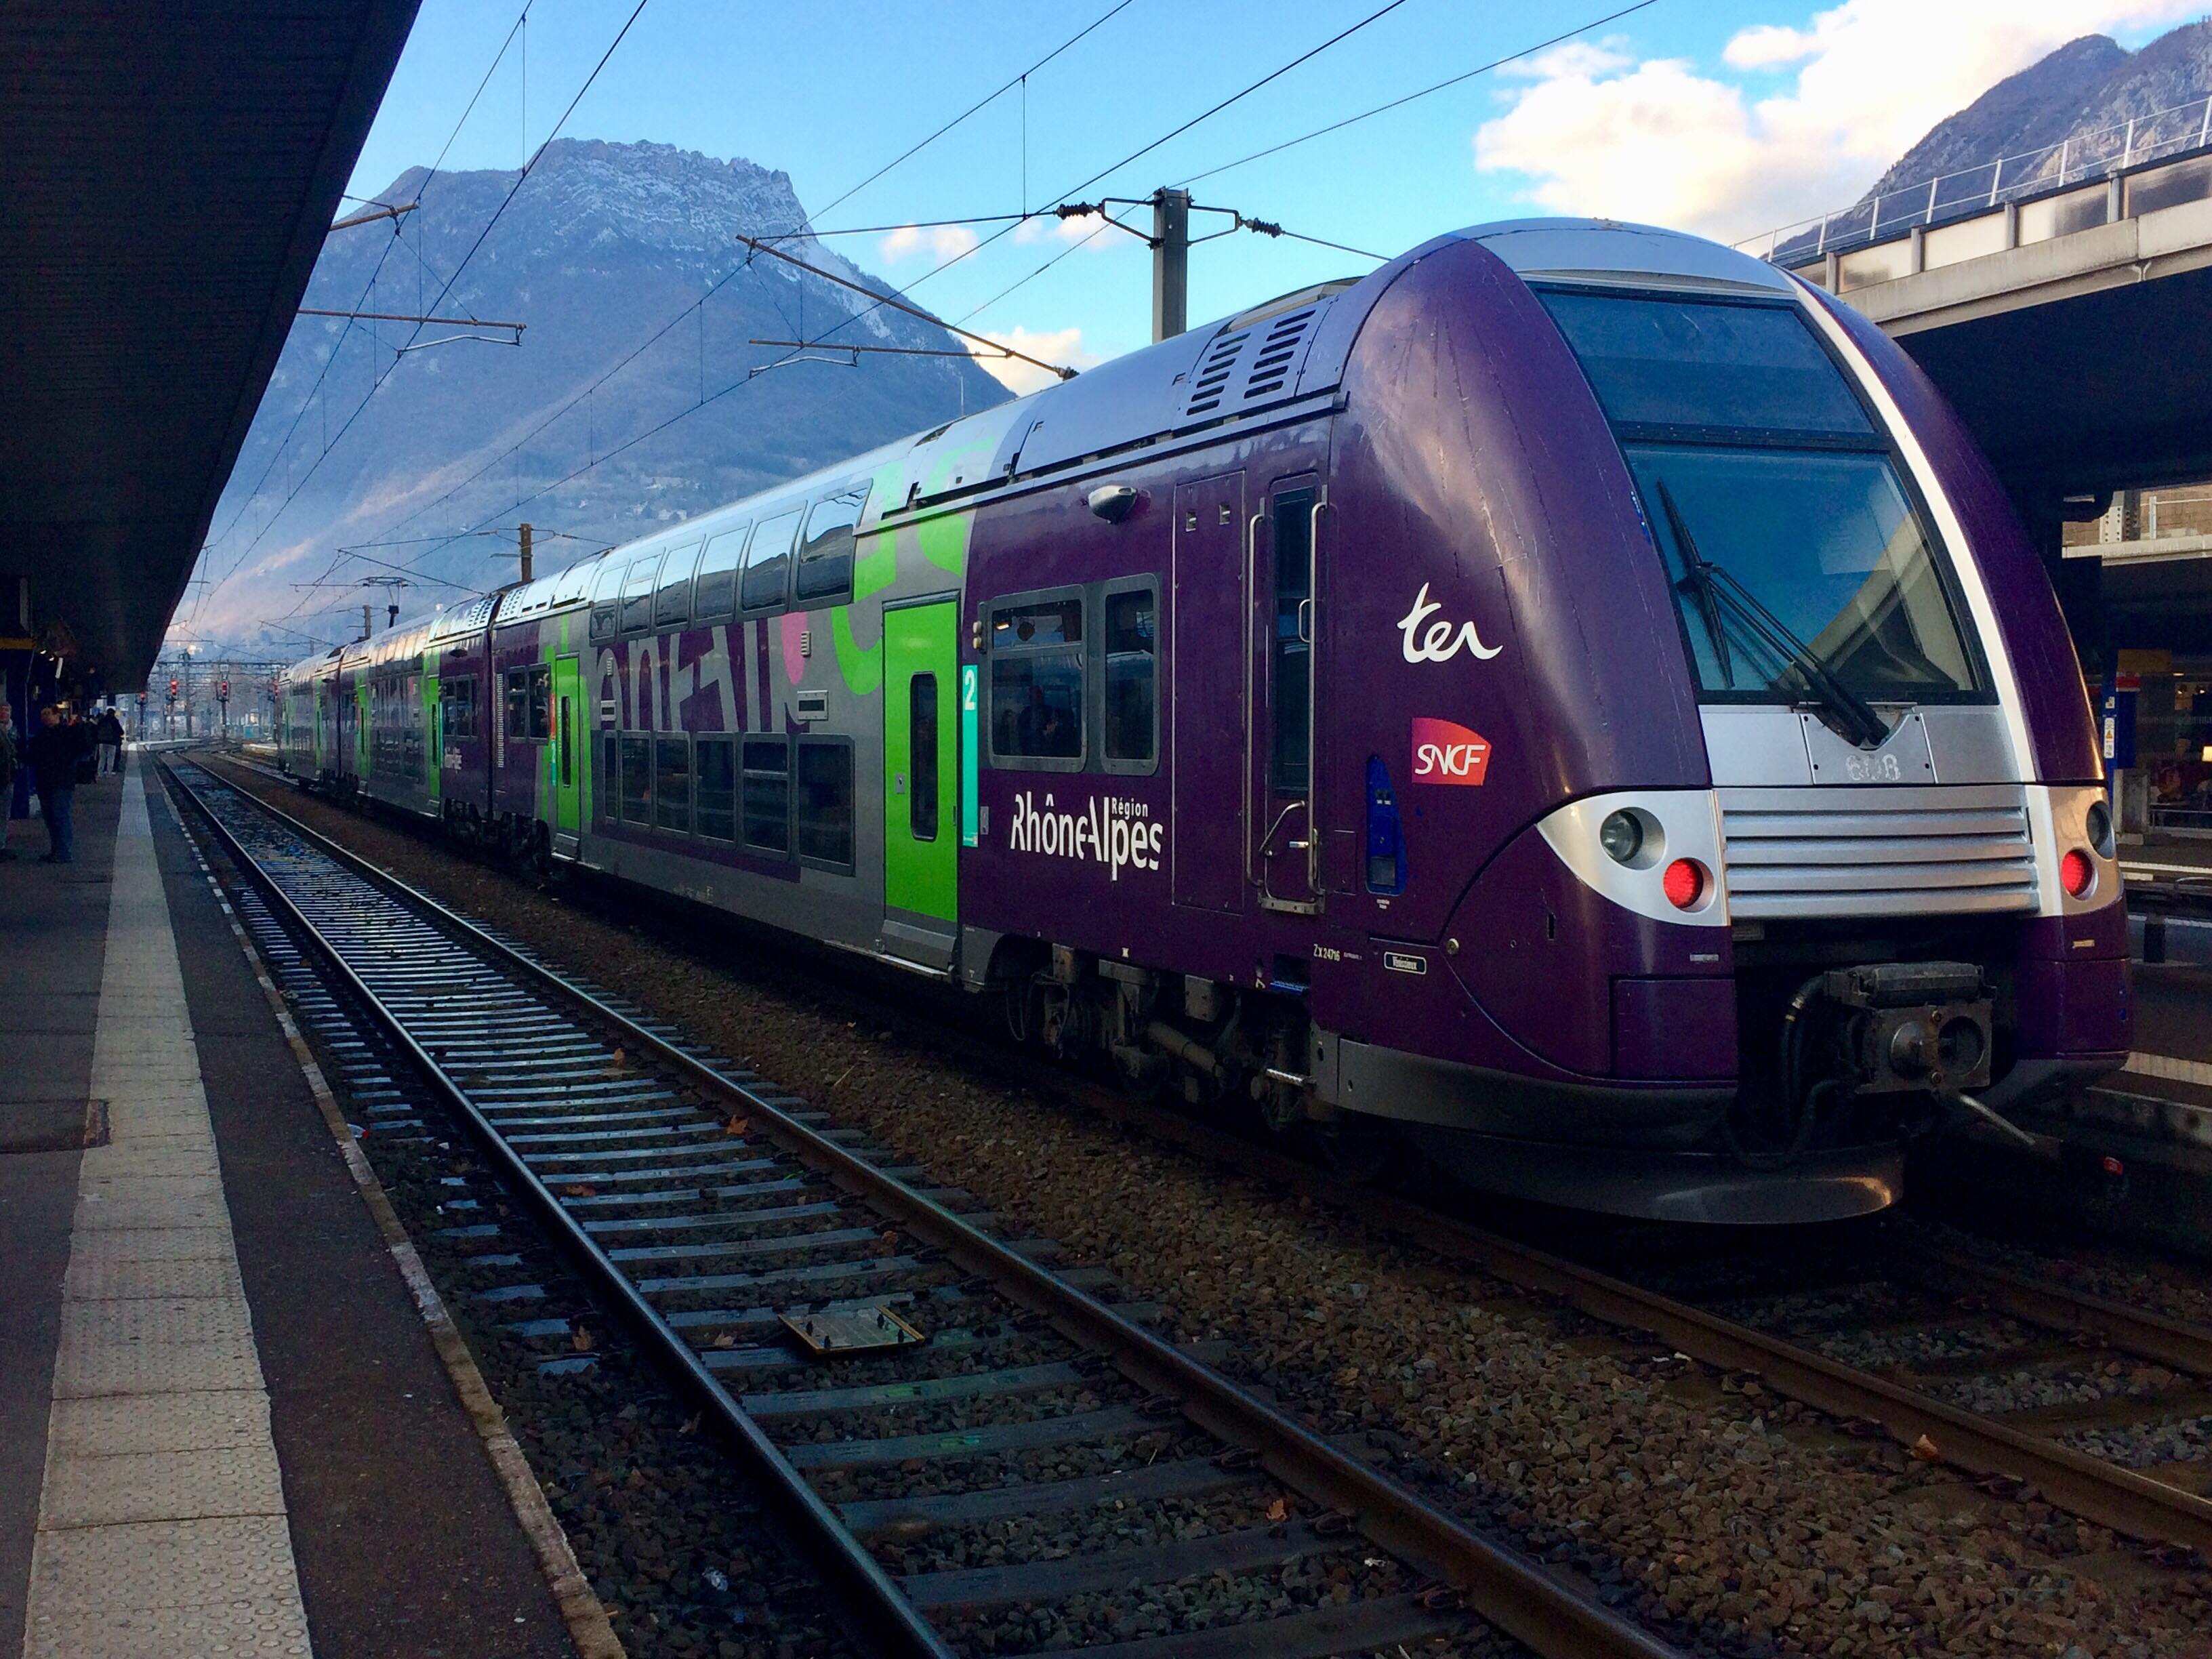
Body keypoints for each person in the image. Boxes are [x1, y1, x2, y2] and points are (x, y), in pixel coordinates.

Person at [27, 705, 84, 863]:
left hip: (61, 782)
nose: (45, 717)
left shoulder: (67, 733)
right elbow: (32, 757)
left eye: (48, 714)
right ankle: (57, 850)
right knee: (51, 818)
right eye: (43, 715)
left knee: (60, 816)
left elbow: (81, 749)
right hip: (46, 782)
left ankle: (64, 852)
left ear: (57, 715)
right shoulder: (42, 736)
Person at [0, 703, 16, 861]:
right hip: (3, 777)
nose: (5, 713)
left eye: (7, 711)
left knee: (4, 813)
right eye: (2, 711)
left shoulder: (13, 729)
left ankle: (2, 844)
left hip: (8, 777)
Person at [96, 705, 123, 775]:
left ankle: (100, 773)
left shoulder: (102, 720)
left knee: (102, 758)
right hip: (112, 743)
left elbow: (97, 730)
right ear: (113, 713)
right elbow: (121, 732)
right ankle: (109, 773)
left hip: (102, 742)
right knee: (110, 758)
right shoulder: (114, 721)